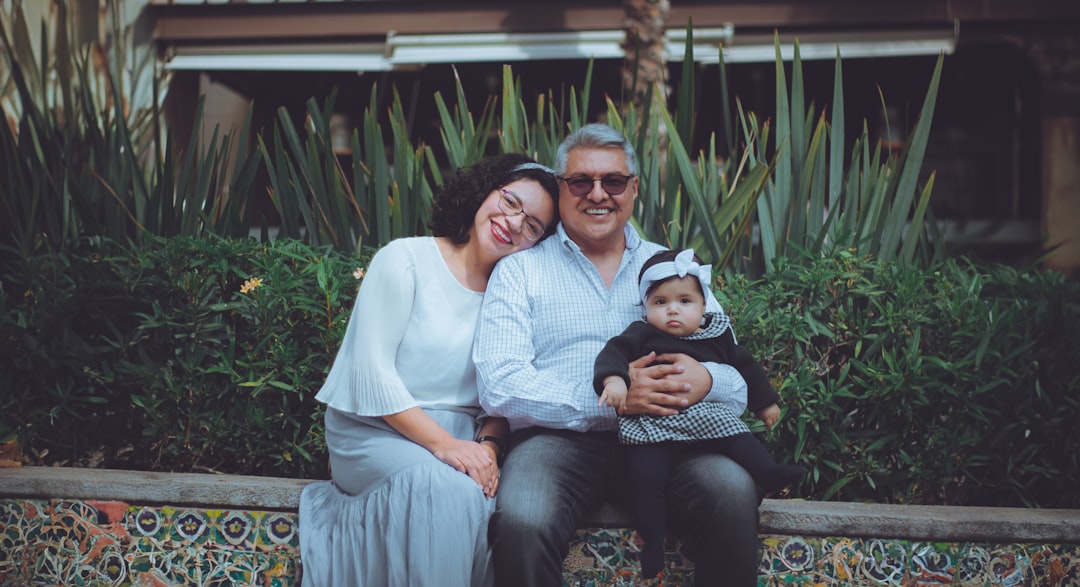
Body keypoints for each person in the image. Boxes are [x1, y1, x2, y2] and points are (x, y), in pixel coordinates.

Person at [474, 123, 762, 586]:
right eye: (581, 182)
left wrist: (707, 380)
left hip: (672, 434)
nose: (597, 195)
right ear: (562, 188)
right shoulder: (521, 270)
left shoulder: (674, 267)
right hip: (558, 438)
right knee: (522, 516)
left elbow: (739, 378)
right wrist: (613, 401)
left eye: (612, 181)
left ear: (632, 189)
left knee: (731, 490)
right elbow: (499, 383)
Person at [298, 153, 559, 587]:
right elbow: (371, 370)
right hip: (374, 430)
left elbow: (502, 390)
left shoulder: (514, 295)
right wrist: (444, 446)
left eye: (533, 225)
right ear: (484, 191)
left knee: (484, 497)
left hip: (462, 440)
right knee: (449, 491)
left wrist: (488, 452)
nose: (514, 223)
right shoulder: (406, 258)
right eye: (511, 202)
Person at [594, 247, 804, 578]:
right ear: (646, 307)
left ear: (704, 305)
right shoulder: (641, 333)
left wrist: (764, 403)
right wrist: (615, 383)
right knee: (647, 478)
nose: (672, 310)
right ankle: (653, 544)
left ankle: (768, 472)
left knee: (737, 437)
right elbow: (612, 355)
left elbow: (744, 365)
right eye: (660, 302)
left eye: (684, 302)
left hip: (703, 418)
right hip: (655, 424)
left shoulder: (715, 333)